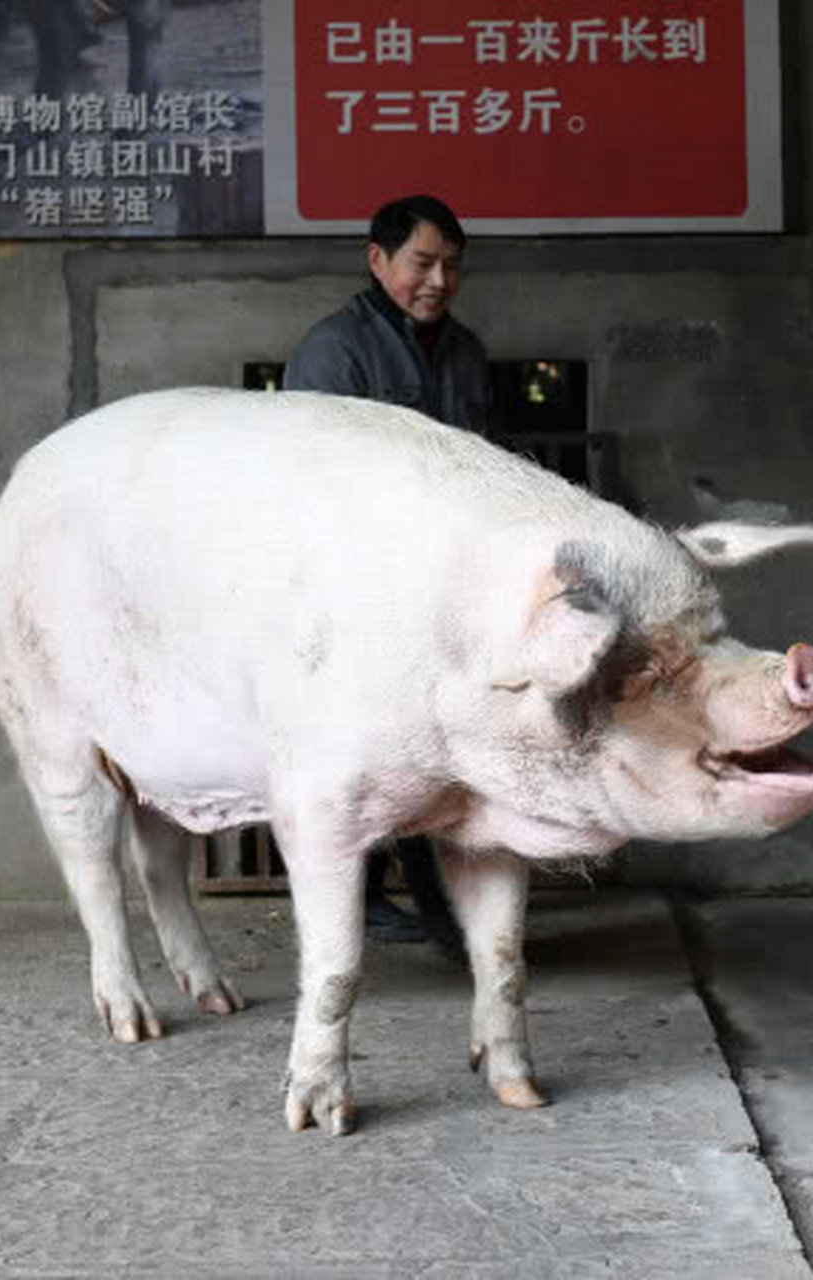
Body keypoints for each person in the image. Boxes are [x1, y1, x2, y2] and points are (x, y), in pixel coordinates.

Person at [284, 193, 492, 952]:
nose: (437, 280)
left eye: (451, 266)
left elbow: (486, 467)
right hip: (360, 589)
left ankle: (440, 909)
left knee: (435, 743)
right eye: (422, 263)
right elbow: (308, 481)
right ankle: (374, 902)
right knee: (368, 746)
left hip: (445, 587)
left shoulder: (465, 351)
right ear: (378, 261)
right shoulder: (333, 350)